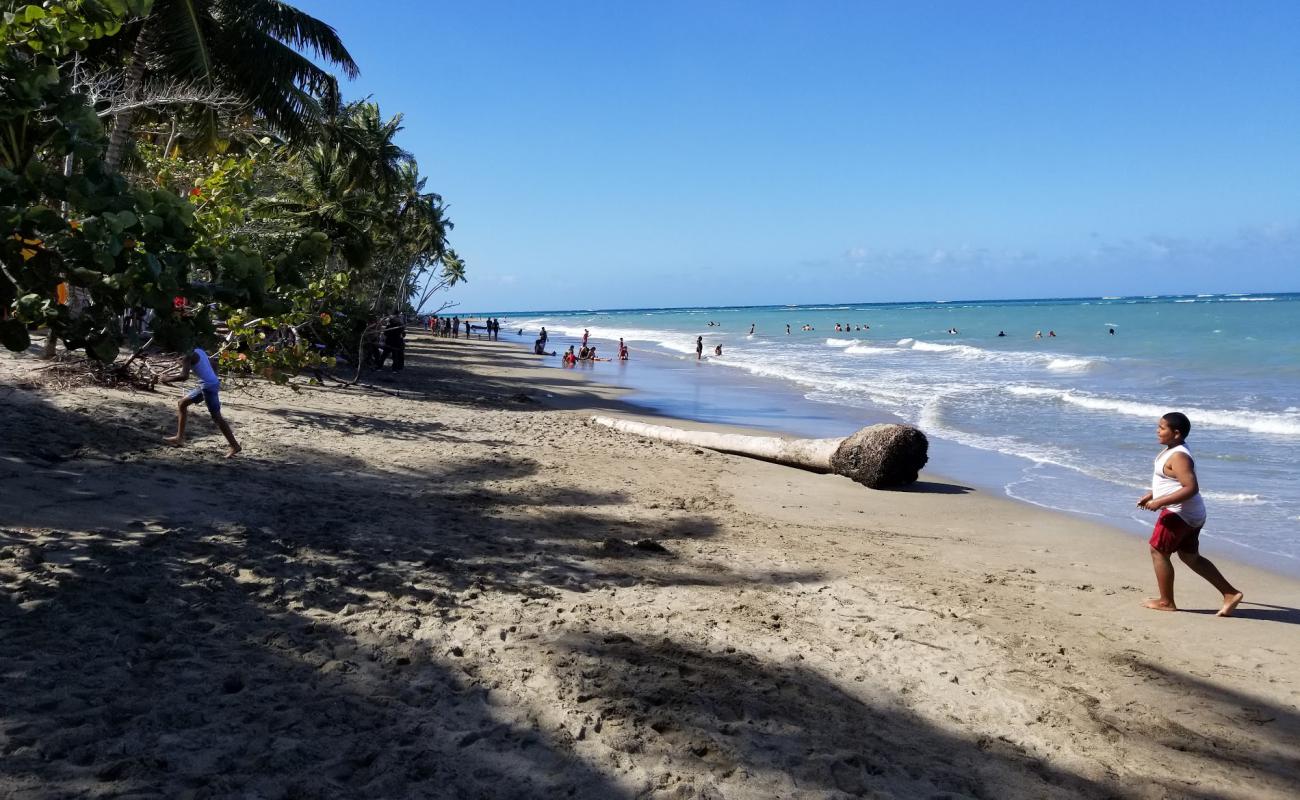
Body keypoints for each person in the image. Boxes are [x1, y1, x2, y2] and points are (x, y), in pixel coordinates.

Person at [1136, 412, 1243, 617]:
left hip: (1179, 513)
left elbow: (1191, 487)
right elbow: (1171, 481)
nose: (1157, 431)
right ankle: (1230, 593)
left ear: (1176, 433)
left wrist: (1159, 502)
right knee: (1190, 557)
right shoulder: (1173, 450)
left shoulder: (1179, 456)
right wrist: (1152, 494)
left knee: (1158, 551)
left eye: (1162, 428)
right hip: (1191, 513)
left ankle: (1166, 601)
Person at [160, 345, 241, 458]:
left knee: (217, 417)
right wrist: (212, 377)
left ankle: (235, 446)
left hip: (208, 386)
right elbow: (213, 364)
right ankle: (179, 438)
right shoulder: (199, 350)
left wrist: (166, 379)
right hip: (208, 384)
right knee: (182, 403)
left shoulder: (188, 356)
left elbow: (184, 376)